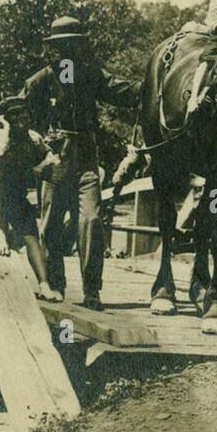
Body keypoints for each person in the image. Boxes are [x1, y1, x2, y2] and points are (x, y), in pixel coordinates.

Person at [19, 16, 142, 311]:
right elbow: (17, 114)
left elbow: (124, 92)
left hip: (87, 156)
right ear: (55, 49)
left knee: (91, 219)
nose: (68, 52)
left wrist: (153, 84)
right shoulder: (41, 80)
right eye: (62, 47)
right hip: (56, 155)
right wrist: (36, 150)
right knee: (50, 223)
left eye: (73, 45)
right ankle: (55, 284)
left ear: (80, 46)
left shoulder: (91, 75)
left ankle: (91, 290)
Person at [0, 97, 62, 301]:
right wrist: (6, 130)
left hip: (15, 196)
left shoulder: (33, 138)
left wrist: (41, 168)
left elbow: (51, 157)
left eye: (24, 113)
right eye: (15, 115)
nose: (22, 118)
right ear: (6, 119)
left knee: (31, 237)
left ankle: (44, 284)